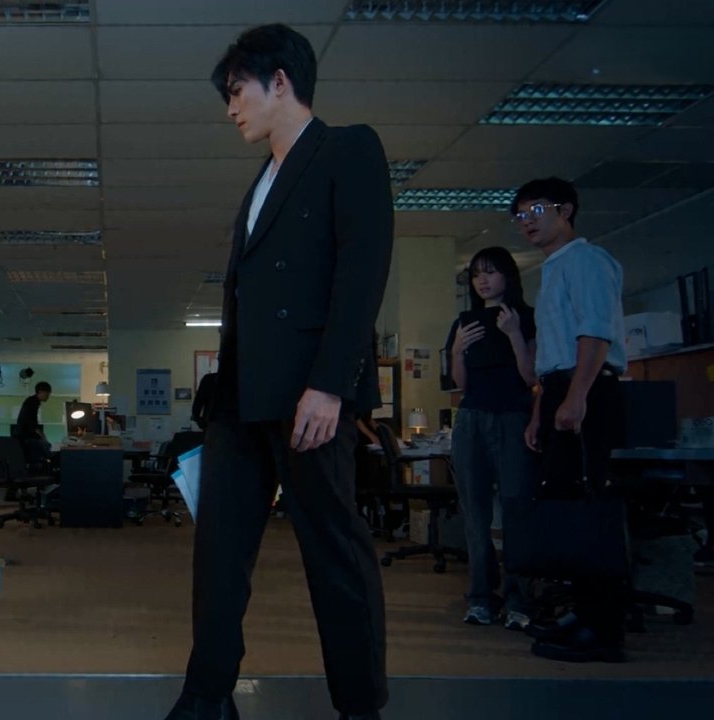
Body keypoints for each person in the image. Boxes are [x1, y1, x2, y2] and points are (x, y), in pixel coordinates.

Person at [165, 24, 394, 720]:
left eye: (237, 91)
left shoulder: (348, 148)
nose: (231, 108)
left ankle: (359, 705)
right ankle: (207, 697)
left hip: (308, 395)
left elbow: (361, 272)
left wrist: (330, 385)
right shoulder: (260, 181)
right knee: (218, 552)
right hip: (240, 399)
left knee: (333, 551)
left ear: (281, 81)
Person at [515, 177, 629, 663]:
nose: (528, 222)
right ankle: (582, 613)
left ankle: (603, 629)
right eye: (520, 216)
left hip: (588, 388)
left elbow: (595, 334)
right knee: (566, 505)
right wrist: (541, 409)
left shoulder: (586, 261)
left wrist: (577, 396)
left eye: (537, 211)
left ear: (566, 210)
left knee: (589, 508)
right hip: (561, 388)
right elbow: (553, 354)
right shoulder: (554, 268)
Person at [443, 247, 539, 629]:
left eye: (490, 272)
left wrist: (514, 335)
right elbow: (460, 384)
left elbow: (531, 377)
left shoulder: (526, 318)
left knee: (516, 507)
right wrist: (456, 351)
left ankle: (518, 598)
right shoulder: (465, 322)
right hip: (472, 418)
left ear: (507, 276)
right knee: (475, 512)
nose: (482, 280)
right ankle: (481, 596)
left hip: (513, 417)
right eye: (476, 274)